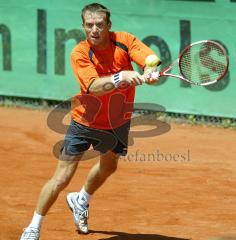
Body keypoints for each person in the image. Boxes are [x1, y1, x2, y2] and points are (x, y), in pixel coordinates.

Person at [20, 2, 161, 239]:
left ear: (108, 25)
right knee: (62, 177)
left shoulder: (124, 40)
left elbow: (149, 58)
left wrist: (150, 72)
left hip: (117, 121)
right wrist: (122, 76)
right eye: (89, 25)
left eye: (99, 24)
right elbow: (95, 87)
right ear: (83, 26)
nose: (94, 30)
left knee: (109, 166)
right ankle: (33, 226)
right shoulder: (80, 52)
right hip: (84, 122)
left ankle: (81, 200)